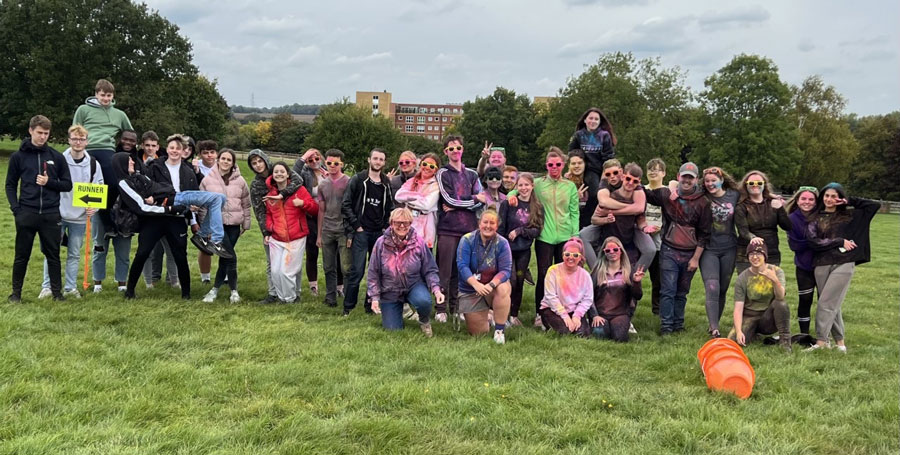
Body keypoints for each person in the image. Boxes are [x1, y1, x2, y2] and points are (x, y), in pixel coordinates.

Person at [508, 147, 579, 328]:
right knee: (545, 274)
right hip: (545, 236)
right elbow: (519, 189)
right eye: (550, 164)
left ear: (563, 165)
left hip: (565, 236)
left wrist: (575, 236)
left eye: (557, 164)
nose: (554, 167)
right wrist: (511, 196)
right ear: (546, 165)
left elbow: (574, 212)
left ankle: (562, 310)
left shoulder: (570, 186)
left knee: (564, 275)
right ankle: (540, 313)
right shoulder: (538, 183)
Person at [804, 183, 879, 353]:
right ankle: (840, 343)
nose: (830, 199)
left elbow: (874, 206)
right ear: (822, 197)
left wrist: (849, 200)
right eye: (827, 196)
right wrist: (839, 241)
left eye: (834, 196)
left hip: (845, 262)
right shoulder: (815, 218)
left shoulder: (850, 215)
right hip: (822, 264)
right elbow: (813, 241)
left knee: (825, 302)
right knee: (833, 303)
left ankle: (821, 342)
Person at [6, 115, 73, 302]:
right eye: (39, 133)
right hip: (27, 212)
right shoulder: (18, 156)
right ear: (30, 131)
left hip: (51, 214)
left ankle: (57, 293)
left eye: (46, 133)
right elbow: (10, 185)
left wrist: (49, 182)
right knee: (22, 255)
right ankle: (16, 293)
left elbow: (67, 184)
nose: (42, 137)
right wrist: (16, 209)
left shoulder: (56, 157)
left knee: (53, 255)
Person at [644, 162, 711, 335]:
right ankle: (666, 326)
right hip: (669, 250)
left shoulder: (703, 202)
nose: (687, 181)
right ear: (678, 177)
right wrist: (629, 181)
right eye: (684, 177)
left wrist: (696, 258)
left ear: (696, 180)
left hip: (690, 252)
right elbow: (645, 194)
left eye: (691, 178)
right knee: (667, 290)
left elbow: (705, 233)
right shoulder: (667, 195)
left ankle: (678, 324)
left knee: (682, 291)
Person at [38, 125, 102, 299]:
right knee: (52, 251)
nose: (78, 142)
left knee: (74, 253)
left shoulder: (94, 164)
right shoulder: (58, 159)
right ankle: (47, 286)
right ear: (69, 140)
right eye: (74, 139)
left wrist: (93, 207)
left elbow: (98, 188)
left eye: (81, 139)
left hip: (80, 217)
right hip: (57, 213)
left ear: (86, 142)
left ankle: (70, 287)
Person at [119, 154, 193, 300]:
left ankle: (186, 294)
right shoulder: (124, 183)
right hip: (153, 220)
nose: (133, 161)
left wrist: (158, 197)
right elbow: (142, 205)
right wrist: (169, 207)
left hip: (174, 219)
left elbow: (162, 188)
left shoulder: (142, 177)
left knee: (180, 255)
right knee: (142, 253)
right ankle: (130, 292)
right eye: (129, 161)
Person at [149, 135, 232, 259]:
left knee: (221, 198)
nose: (175, 150)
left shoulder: (188, 169)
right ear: (167, 149)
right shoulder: (157, 165)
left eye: (178, 148)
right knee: (217, 198)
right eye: (172, 148)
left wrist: (193, 214)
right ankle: (215, 241)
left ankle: (202, 235)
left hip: (183, 197)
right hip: (171, 199)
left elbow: (195, 188)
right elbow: (150, 185)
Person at [368, 208, 446, 336]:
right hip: (390, 290)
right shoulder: (381, 243)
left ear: (411, 223)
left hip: (413, 284)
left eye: (406, 223)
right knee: (393, 330)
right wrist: (375, 298)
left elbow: (430, 269)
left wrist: (436, 289)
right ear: (391, 223)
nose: (402, 226)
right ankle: (400, 311)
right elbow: (373, 272)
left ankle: (424, 320)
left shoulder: (419, 242)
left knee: (424, 301)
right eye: (398, 223)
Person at [435, 135, 484, 322]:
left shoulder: (472, 174)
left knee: (463, 270)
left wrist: (459, 204)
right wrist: (471, 200)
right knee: (445, 271)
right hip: (448, 229)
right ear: (445, 152)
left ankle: (457, 308)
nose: (455, 151)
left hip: (469, 229)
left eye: (458, 148)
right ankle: (440, 307)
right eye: (451, 148)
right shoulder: (442, 173)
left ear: (463, 149)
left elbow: (482, 200)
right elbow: (447, 199)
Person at [247, 149, 304, 303]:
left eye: (260, 161)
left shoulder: (280, 170)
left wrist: (282, 194)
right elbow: (259, 210)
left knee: (293, 261)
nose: (258, 165)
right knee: (272, 261)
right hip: (272, 226)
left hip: (292, 223)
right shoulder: (256, 185)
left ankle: (295, 292)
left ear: (265, 160)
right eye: (254, 163)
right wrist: (266, 231)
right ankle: (274, 293)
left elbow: (299, 181)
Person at [341, 148, 393, 315]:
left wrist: (385, 226)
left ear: (384, 163)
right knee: (356, 270)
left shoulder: (386, 183)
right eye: (375, 158)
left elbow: (390, 207)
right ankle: (348, 307)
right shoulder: (358, 179)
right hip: (361, 232)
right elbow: (346, 204)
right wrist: (356, 226)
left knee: (376, 272)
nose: (378, 162)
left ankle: (370, 305)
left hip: (378, 233)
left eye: (381, 159)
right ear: (369, 160)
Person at [200, 149, 251, 303]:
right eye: (223, 158)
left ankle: (215, 290)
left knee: (224, 258)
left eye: (229, 159)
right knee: (230, 257)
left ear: (233, 162)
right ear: (218, 159)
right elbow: (203, 206)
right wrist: (205, 227)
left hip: (234, 225)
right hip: (217, 226)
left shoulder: (240, 181)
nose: (226, 162)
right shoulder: (207, 180)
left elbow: (246, 203)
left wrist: (246, 223)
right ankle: (233, 291)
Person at [263, 162, 318, 303]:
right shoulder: (271, 195)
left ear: (288, 174)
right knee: (275, 271)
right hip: (277, 237)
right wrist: (270, 227)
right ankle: (282, 298)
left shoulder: (299, 190)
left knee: (286, 272)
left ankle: (290, 298)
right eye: (276, 172)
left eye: (282, 171)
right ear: (273, 176)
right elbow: (268, 214)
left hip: (296, 237)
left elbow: (315, 209)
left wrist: (303, 204)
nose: (279, 174)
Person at [90, 130, 138, 293]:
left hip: (126, 215)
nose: (128, 142)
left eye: (132, 140)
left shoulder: (137, 162)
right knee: (99, 247)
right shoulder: (106, 156)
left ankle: (122, 283)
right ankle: (97, 282)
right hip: (103, 209)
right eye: (125, 139)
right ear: (119, 139)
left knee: (123, 251)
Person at [456, 209, 513, 344]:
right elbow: (462, 266)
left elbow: (506, 270)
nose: (488, 226)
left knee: (503, 288)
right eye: (485, 222)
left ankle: (499, 331)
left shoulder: (503, 243)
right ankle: (490, 314)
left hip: (492, 287)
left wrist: (491, 284)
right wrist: (476, 285)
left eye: (492, 223)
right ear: (479, 224)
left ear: (497, 226)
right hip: (470, 289)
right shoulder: (467, 240)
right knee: (479, 334)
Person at [699, 166, 741, 338]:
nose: (710, 184)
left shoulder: (734, 195)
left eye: (713, 180)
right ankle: (714, 327)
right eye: (707, 181)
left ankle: (714, 321)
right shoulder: (702, 196)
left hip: (729, 248)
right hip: (709, 249)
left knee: (722, 289)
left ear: (722, 180)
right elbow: (675, 183)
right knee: (712, 287)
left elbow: (752, 190)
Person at [728, 242, 792, 352]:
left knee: (781, 304)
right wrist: (738, 331)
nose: (755, 257)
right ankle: (752, 333)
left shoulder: (776, 271)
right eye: (751, 254)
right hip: (749, 317)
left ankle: (785, 340)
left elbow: (780, 296)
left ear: (765, 256)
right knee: (733, 342)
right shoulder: (742, 278)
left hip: (768, 318)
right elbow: (738, 309)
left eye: (759, 253)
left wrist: (774, 280)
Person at [498, 172, 543, 327]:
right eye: (520, 185)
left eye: (526, 185)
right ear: (516, 187)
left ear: (532, 186)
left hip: (523, 251)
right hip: (507, 250)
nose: (524, 188)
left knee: (519, 281)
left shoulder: (537, 207)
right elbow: (501, 227)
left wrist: (519, 231)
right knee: (509, 280)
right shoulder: (508, 204)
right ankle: (502, 312)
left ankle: (514, 314)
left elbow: (537, 230)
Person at [588, 236, 645, 342]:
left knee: (620, 337)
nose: (612, 252)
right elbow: (589, 297)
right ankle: (592, 323)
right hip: (601, 314)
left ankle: (623, 325)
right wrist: (594, 315)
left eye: (615, 249)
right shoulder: (597, 272)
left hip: (620, 314)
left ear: (621, 251)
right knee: (600, 335)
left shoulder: (629, 271)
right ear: (604, 253)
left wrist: (636, 283)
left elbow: (637, 296)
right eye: (608, 250)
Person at [734, 170, 792, 274]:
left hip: (771, 252)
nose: (755, 185)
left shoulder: (773, 203)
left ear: (764, 185)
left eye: (759, 183)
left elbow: (787, 226)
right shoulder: (741, 206)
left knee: (770, 286)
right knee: (749, 287)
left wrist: (780, 209)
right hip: (747, 253)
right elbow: (743, 231)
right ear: (745, 185)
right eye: (751, 183)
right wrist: (753, 238)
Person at [537, 237, 593, 336]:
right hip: (552, 309)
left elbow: (587, 299)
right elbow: (550, 297)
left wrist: (577, 316)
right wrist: (565, 316)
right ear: (562, 255)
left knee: (582, 334)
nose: (570, 258)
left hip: (574, 310)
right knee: (564, 332)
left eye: (575, 255)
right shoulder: (553, 271)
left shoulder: (585, 275)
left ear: (580, 258)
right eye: (567, 254)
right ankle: (547, 324)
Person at [317, 149, 350, 308]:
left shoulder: (348, 182)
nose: (332, 166)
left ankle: (349, 298)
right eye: (329, 163)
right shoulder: (322, 184)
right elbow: (321, 210)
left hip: (343, 229)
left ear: (341, 164)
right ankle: (330, 297)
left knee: (346, 266)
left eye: (336, 163)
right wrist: (319, 234)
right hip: (327, 229)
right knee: (328, 266)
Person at [786, 186, 819, 335]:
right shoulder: (792, 219)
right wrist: (816, 242)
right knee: (805, 299)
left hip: (823, 265)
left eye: (811, 199)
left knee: (825, 301)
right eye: (803, 198)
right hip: (804, 265)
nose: (807, 202)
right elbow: (794, 245)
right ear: (797, 200)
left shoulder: (822, 216)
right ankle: (804, 333)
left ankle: (823, 333)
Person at [294, 148, 327, 296]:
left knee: (333, 253)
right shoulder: (305, 174)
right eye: (310, 160)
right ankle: (313, 285)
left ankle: (338, 286)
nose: (314, 162)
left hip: (329, 216)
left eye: (316, 158)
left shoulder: (328, 170)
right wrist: (302, 158)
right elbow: (292, 175)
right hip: (311, 215)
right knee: (312, 251)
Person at [568, 108, 616, 207]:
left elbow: (609, 158)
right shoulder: (579, 135)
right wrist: (570, 170)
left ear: (599, 122)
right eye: (591, 118)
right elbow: (572, 153)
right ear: (585, 120)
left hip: (601, 169)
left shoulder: (604, 135)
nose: (593, 121)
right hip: (585, 169)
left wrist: (604, 176)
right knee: (589, 193)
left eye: (596, 119)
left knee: (600, 192)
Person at [395, 153, 442, 249]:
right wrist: (420, 196)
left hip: (426, 233)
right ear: (420, 165)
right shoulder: (412, 181)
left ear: (436, 170)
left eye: (432, 166)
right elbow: (398, 196)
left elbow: (426, 205)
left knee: (423, 261)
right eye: (425, 164)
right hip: (407, 227)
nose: (427, 168)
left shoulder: (435, 185)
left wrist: (408, 200)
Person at [193, 140, 218, 283]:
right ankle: (205, 277)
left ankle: (225, 274)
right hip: (202, 211)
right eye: (205, 153)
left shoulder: (223, 166)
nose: (209, 155)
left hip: (220, 209)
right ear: (200, 154)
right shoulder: (196, 168)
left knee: (223, 243)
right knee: (205, 245)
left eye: (212, 152)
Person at [644, 158, 666, 315]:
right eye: (650, 169)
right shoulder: (641, 190)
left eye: (656, 169)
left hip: (660, 239)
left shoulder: (668, 192)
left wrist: (661, 228)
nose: (652, 172)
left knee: (657, 278)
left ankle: (657, 310)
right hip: (642, 237)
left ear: (663, 173)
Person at [565, 149, 592, 229]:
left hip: (589, 225)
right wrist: (575, 198)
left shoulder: (592, 181)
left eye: (580, 163)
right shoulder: (564, 183)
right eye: (573, 163)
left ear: (585, 164)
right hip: (570, 226)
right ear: (569, 166)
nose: (576, 166)